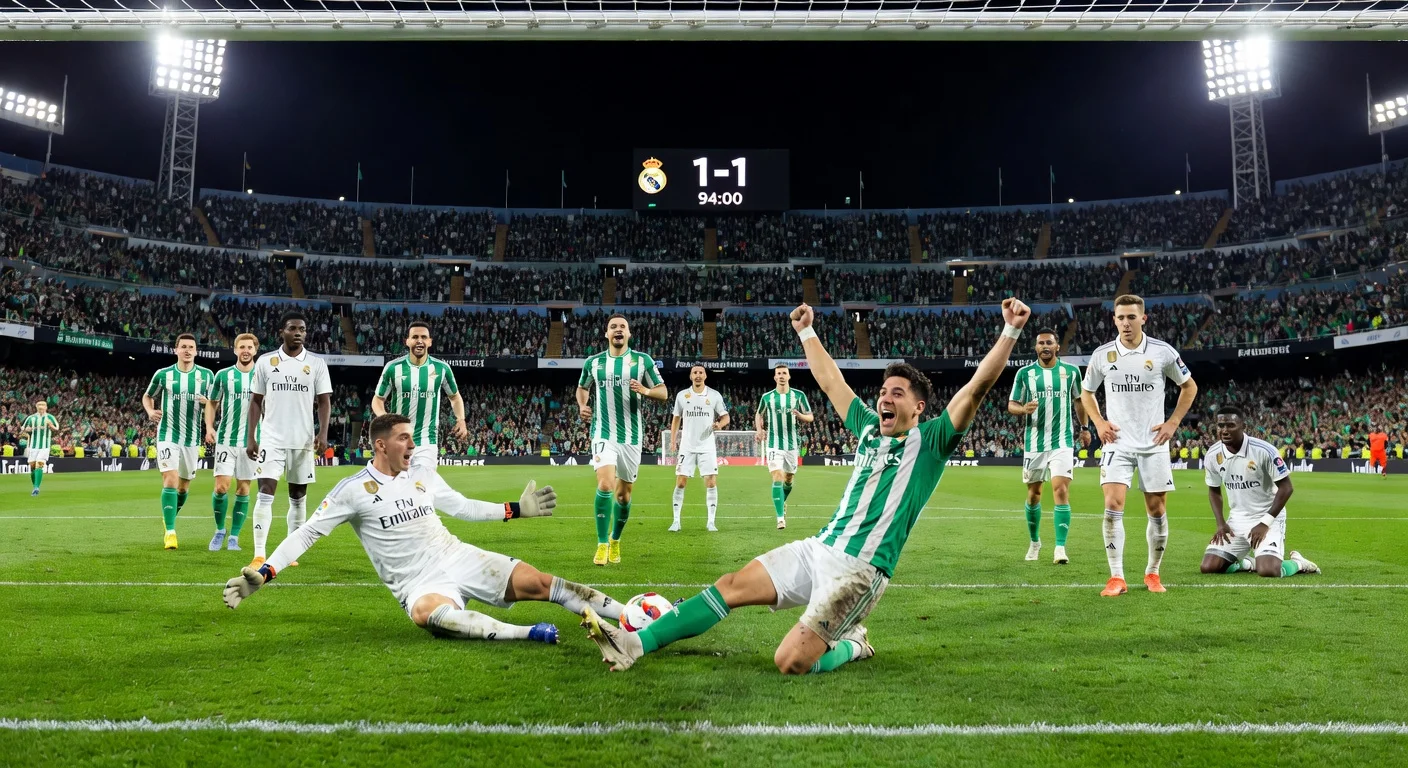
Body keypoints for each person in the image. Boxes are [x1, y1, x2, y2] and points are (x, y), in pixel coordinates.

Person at [580, 299, 1033, 674]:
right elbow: (831, 380)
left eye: (897, 393)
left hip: (860, 571)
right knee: (731, 584)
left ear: (918, 406)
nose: (884, 397)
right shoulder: (868, 428)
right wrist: (806, 333)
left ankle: (855, 643)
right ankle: (634, 645)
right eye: (883, 390)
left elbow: (977, 387)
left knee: (791, 661)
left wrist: (1010, 331)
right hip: (819, 548)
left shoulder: (931, 441)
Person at [223, 413, 626, 645]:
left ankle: (630, 617)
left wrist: (516, 509)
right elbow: (306, 533)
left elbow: (463, 507)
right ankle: (526, 634)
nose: (412, 447)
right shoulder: (351, 491)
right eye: (404, 440)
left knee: (541, 582)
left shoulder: (421, 474)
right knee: (424, 613)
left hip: (456, 555)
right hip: (417, 582)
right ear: (381, 445)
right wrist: (264, 572)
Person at [1080, 295, 1198, 597]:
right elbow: (1086, 392)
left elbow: (1189, 386)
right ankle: (1116, 577)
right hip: (1117, 443)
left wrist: (1172, 423)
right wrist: (1098, 422)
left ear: (1143, 319)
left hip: (1153, 443)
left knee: (1156, 510)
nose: (1125, 323)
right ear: (1114, 319)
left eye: (1131, 317)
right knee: (1112, 507)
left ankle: (1152, 573)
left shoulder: (1162, 352)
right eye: (1120, 318)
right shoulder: (1102, 355)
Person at [575, 313, 667, 566]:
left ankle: (615, 540)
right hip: (603, 434)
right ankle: (602, 544)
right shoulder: (593, 363)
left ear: (628, 334)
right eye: (613, 326)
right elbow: (582, 388)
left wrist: (645, 390)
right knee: (605, 485)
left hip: (632, 437)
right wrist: (583, 405)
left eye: (622, 327)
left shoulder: (642, 361)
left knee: (623, 496)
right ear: (606, 334)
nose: (618, 330)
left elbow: (663, 391)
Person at [246, 312, 333, 569]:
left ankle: (289, 552)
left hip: (303, 440)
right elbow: (255, 401)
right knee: (265, 494)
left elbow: (324, 401)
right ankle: (259, 554)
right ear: (282, 331)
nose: (298, 332)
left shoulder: (316, 364)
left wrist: (323, 433)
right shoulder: (265, 361)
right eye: (293, 328)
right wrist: (252, 436)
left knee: (298, 497)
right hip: (272, 439)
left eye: (302, 329)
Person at [1199, 406, 1320, 579]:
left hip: (1267, 519)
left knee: (1269, 571)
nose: (1224, 430)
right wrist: (1221, 523)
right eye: (1220, 426)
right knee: (1209, 567)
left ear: (1243, 427)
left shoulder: (1264, 450)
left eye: (1231, 425)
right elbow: (1214, 491)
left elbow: (1287, 487)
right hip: (1237, 520)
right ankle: (1248, 563)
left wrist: (1265, 523)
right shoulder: (1213, 454)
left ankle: (1299, 563)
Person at [1007, 329, 1088, 564]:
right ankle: (1035, 542)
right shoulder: (1025, 374)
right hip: (1034, 442)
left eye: (1049, 343)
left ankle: (1060, 548)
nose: (1044, 346)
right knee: (1034, 495)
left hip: (1062, 440)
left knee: (1061, 490)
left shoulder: (1071, 372)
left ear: (1056, 347)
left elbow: (1079, 400)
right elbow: (1012, 404)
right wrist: (1023, 409)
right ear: (1035, 348)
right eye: (1040, 343)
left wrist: (1084, 428)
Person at [141, 333, 215, 550]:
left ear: (196, 351)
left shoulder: (207, 375)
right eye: (183, 346)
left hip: (192, 438)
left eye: (191, 347)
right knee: (170, 480)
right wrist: (149, 410)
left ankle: (169, 516)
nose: (187, 350)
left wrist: (208, 404)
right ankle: (171, 532)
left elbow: (214, 404)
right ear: (176, 350)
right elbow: (148, 396)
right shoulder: (163, 375)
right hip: (167, 435)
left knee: (183, 487)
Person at [371, 322, 469, 471]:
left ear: (430, 342)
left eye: (424, 337)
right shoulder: (393, 368)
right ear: (407, 341)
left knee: (422, 487)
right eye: (415, 337)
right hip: (397, 441)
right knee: (398, 488)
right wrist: (385, 419)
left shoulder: (441, 368)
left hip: (427, 442)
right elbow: (378, 399)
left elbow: (454, 397)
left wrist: (461, 419)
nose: (419, 340)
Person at [204, 333, 260, 552]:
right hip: (226, 439)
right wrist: (209, 427)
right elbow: (212, 402)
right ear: (235, 350)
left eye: (249, 347)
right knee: (221, 487)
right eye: (241, 347)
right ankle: (220, 530)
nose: (245, 350)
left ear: (255, 350)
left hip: (252, 442)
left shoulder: (263, 375)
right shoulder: (223, 375)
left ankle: (234, 536)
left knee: (244, 490)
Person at [669, 365, 729, 532]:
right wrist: (673, 440)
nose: (698, 375)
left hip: (707, 446)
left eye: (700, 372)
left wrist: (720, 424)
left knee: (711, 482)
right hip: (687, 447)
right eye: (695, 372)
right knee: (680, 482)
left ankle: (711, 522)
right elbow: (676, 419)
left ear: (705, 376)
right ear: (690, 376)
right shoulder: (682, 396)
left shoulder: (714, 395)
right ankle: (676, 521)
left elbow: (725, 416)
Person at [756, 364, 814, 529]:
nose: (781, 376)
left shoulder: (799, 395)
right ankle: (780, 518)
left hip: (792, 445)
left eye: (784, 373)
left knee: (789, 480)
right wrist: (759, 430)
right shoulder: (767, 397)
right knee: (777, 477)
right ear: (774, 377)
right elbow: (759, 413)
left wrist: (800, 415)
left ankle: (782, 503)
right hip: (773, 444)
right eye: (778, 373)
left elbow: (810, 417)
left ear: (789, 376)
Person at [19, 401, 58, 497]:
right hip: (32, 446)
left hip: (44, 446)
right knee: (32, 468)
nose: (41, 408)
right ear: (36, 407)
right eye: (39, 406)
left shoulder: (50, 417)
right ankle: (35, 487)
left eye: (43, 406)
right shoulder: (31, 418)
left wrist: (50, 425)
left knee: (39, 464)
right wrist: (27, 429)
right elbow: (23, 428)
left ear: (46, 407)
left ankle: (36, 487)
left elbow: (56, 428)